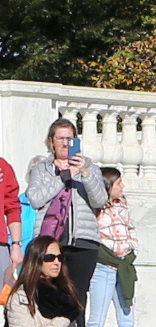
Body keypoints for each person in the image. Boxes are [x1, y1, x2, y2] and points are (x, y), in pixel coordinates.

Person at [28, 118, 109, 311]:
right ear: (51, 142)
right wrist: (64, 177)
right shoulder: (42, 169)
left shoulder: (90, 168)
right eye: (60, 138)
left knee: (77, 297)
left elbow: (99, 201)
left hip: (83, 242)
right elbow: (35, 199)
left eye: (70, 139)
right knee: (49, 295)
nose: (65, 144)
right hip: (51, 241)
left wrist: (85, 173)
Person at [84, 167, 154, 327]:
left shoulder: (122, 205)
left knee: (127, 320)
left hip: (124, 267)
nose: (122, 187)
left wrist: (132, 249)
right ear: (108, 185)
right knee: (96, 322)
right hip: (103, 267)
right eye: (118, 183)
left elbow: (130, 229)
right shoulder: (95, 207)